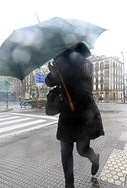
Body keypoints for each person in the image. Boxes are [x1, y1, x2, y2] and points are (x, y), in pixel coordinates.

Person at [45, 42, 105, 188]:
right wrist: (54, 74)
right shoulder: (60, 63)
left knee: (82, 149)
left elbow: (83, 75)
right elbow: (48, 81)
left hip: (84, 114)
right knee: (65, 152)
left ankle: (94, 158)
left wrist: (63, 69)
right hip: (67, 114)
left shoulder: (86, 64)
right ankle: (69, 185)